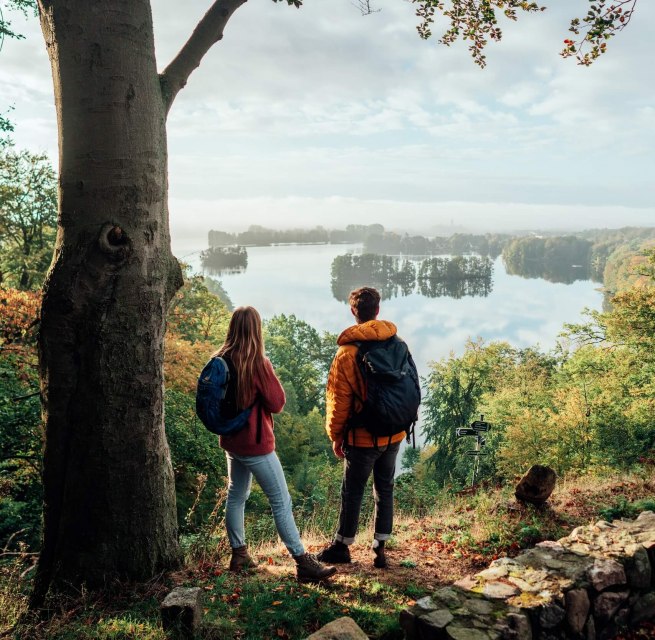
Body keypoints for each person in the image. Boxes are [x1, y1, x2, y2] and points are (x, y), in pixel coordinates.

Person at [215, 306, 336, 583]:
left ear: (232, 328)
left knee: (236, 495)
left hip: (232, 442)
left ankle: (239, 554)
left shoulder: (221, 359)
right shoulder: (257, 363)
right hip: (256, 445)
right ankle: (303, 561)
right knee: (281, 500)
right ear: (256, 330)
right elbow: (278, 402)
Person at [317, 287, 418, 569]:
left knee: (353, 491)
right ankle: (379, 549)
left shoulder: (347, 353)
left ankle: (342, 547)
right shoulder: (398, 343)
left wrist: (335, 436)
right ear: (377, 311)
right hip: (395, 431)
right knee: (384, 488)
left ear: (353, 312)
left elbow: (339, 402)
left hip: (362, 437)